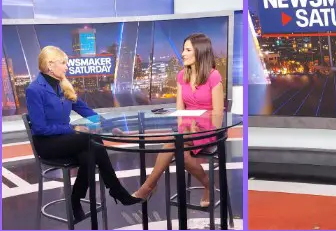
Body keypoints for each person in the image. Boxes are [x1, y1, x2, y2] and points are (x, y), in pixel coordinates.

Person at [26, 46, 141, 223]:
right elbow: (40, 128)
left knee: (89, 152)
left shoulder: (63, 86)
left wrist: (110, 126)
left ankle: (76, 198)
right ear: (49, 65)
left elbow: (86, 111)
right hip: (47, 143)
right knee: (91, 140)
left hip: (66, 141)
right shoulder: (35, 90)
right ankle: (116, 191)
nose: (67, 67)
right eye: (63, 63)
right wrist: (73, 130)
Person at [132, 33, 224, 207]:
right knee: (179, 149)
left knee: (172, 143)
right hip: (188, 128)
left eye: (188, 50)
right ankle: (208, 186)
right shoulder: (182, 76)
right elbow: (180, 110)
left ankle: (148, 186)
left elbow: (218, 115)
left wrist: (199, 129)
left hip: (209, 129)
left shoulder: (213, 76)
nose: (183, 53)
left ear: (200, 52)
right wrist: (185, 129)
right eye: (183, 49)